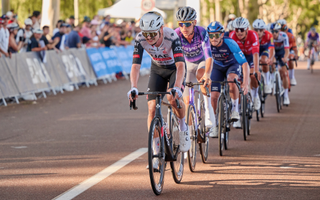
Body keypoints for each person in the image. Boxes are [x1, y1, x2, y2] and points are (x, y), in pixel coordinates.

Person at [127, 12, 190, 156]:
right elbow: (136, 65)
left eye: (153, 34)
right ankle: (156, 152)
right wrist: (134, 87)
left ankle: (182, 128)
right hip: (158, 69)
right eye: (146, 34)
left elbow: (181, 65)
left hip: (175, 69)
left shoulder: (172, 36)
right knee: (151, 108)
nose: (149, 38)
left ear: (161, 29)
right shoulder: (140, 38)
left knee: (173, 98)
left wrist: (177, 87)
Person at [175, 6, 216, 137]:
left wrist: (207, 74)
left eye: (187, 24)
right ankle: (190, 134)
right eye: (181, 24)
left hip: (201, 62)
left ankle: (209, 113)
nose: (184, 28)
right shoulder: (176, 34)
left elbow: (209, 56)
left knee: (201, 76)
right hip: (186, 65)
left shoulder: (202, 32)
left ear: (194, 23)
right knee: (186, 103)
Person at [207, 21, 250, 130]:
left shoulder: (230, 43)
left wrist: (245, 82)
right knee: (213, 96)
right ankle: (214, 123)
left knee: (231, 80)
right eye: (211, 35)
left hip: (232, 65)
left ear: (222, 34)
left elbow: (244, 64)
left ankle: (235, 110)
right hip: (217, 67)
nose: (213, 38)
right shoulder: (207, 44)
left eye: (216, 35)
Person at [230, 17, 261, 112]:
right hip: (238, 60)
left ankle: (255, 96)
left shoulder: (253, 35)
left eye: (242, 30)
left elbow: (255, 54)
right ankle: (237, 110)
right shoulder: (232, 36)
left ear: (247, 29)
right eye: (236, 30)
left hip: (250, 58)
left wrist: (256, 69)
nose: (239, 32)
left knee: (253, 75)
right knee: (237, 83)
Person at [252, 19, 274, 94]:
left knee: (264, 60)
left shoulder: (269, 35)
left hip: (264, 50)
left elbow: (271, 48)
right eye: (256, 30)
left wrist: (270, 58)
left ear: (264, 30)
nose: (258, 32)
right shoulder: (250, 35)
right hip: (255, 50)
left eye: (260, 30)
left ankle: (267, 83)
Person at [270, 22, 290, 105]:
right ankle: (272, 81)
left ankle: (286, 95)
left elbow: (287, 50)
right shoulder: (270, 37)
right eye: (273, 31)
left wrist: (285, 58)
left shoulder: (284, 36)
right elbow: (270, 50)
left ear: (279, 31)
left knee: (285, 74)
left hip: (282, 53)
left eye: (276, 32)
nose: (274, 34)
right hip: (274, 52)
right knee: (272, 62)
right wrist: (271, 58)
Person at [277, 19, 298, 86]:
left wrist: (296, 55)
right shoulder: (275, 35)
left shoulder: (290, 35)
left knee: (291, 58)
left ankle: (292, 77)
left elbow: (294, 47)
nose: (282, 31)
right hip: (280, 50)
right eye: (280, 29)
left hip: (289, 49)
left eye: (284, 29)